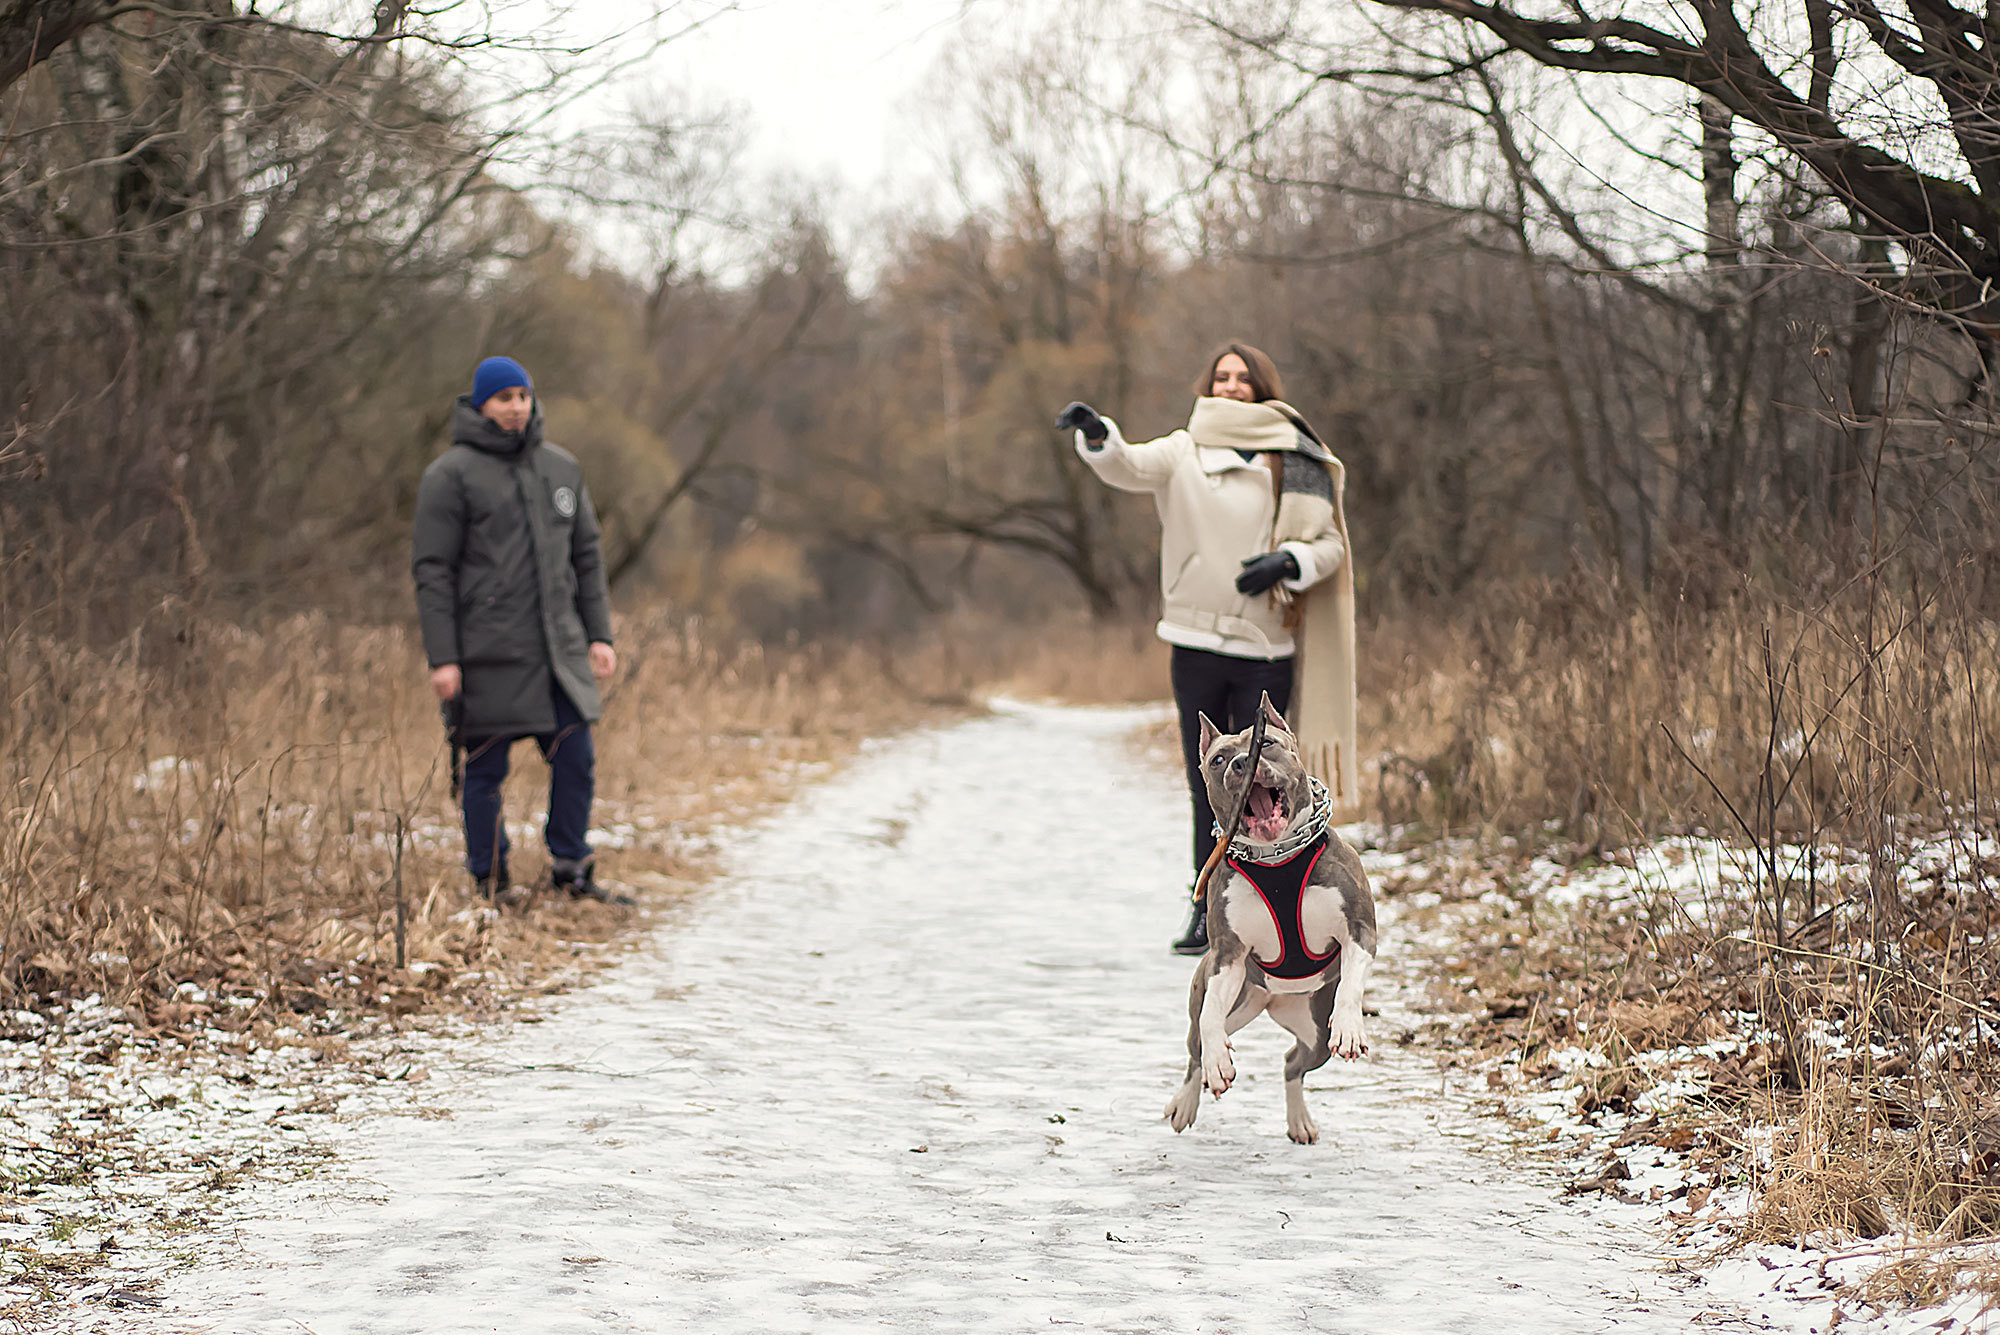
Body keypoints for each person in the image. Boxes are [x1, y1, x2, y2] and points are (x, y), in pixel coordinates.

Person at [1059, 342, 1358, 954]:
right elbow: (1129, 466)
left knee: (1267, 782)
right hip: (1193, 642)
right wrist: (1098, 435)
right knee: (1209, 785)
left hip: (1266, 645)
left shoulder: (1296, 457)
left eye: (1243, 378)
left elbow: (1329, 545)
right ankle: (1206, 909)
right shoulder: (1184, 448)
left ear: (1261, 386)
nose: (1230, 386)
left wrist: (1289, 560)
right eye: (1221, 377)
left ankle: (1276, 910)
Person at [411, 356, 629, 906]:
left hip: (559, 652)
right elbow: (432, 570)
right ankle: (490, 882)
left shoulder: (563, 469)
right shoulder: (450, 475)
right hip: (488, 654)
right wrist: (444, 658)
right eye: (504, 397)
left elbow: (587, 558)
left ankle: (570, 869)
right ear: (481, 403)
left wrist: (599, 635)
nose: (516, 407)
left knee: (576, 756)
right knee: (484, 771)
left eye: (523, 396)